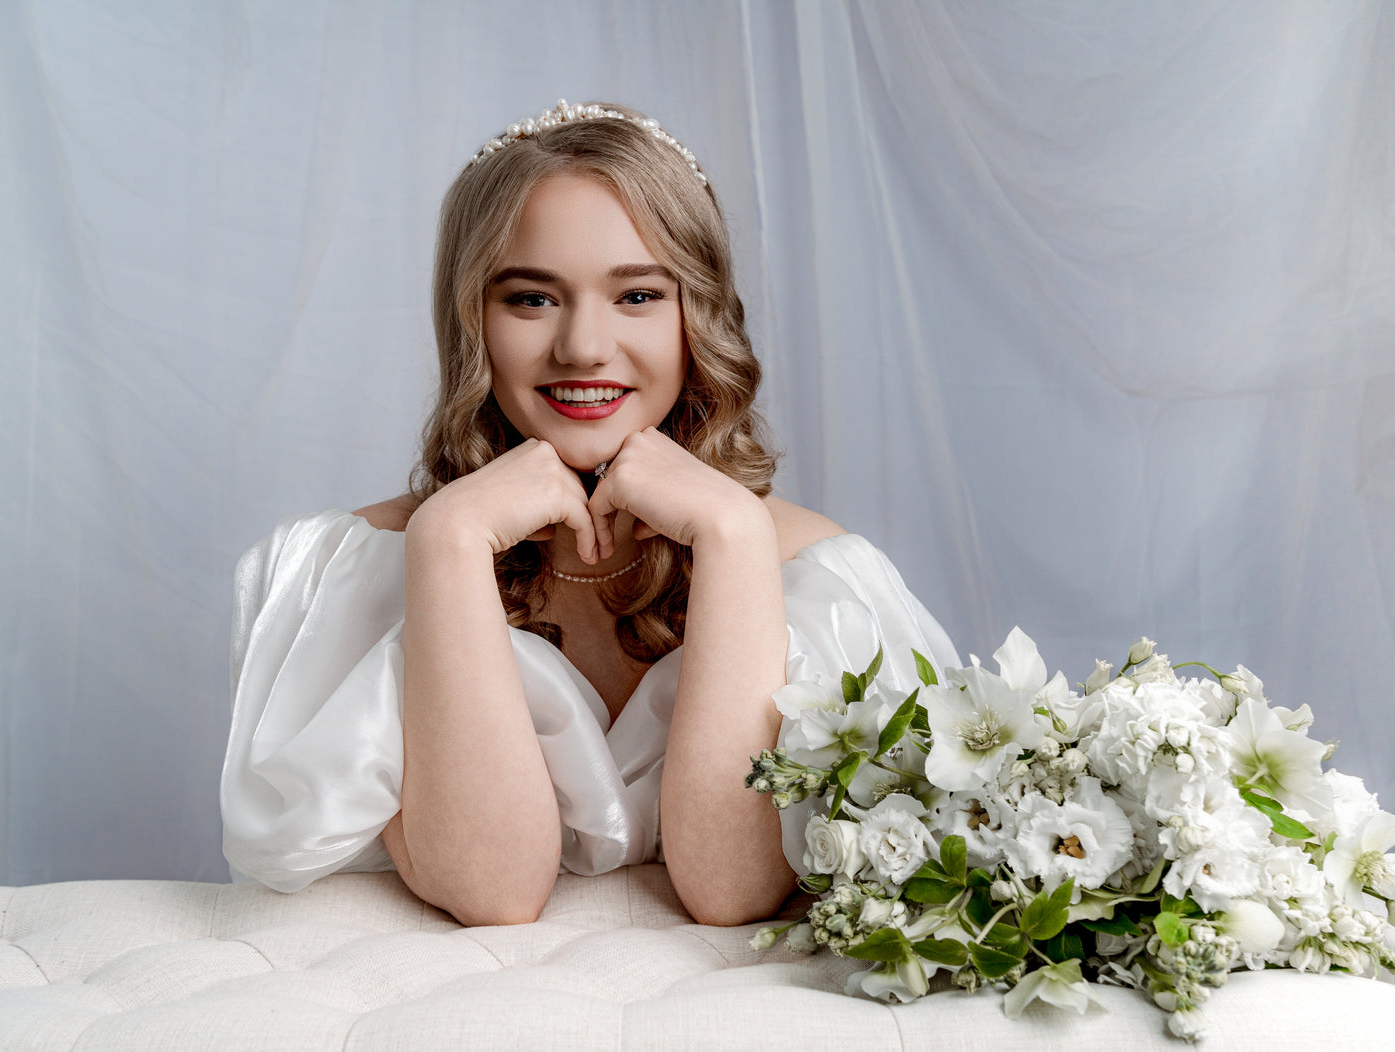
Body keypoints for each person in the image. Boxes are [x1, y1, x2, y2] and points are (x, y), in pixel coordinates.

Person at [220, 100, 959, 927]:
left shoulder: (817, 573)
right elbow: (490, 891)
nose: (581, 348)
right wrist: (450, 539)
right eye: (532, 300)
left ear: (698, 316)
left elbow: (729, 889)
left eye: (637, 295)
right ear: (471, 322)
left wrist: (730, 535)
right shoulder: (349, 571)